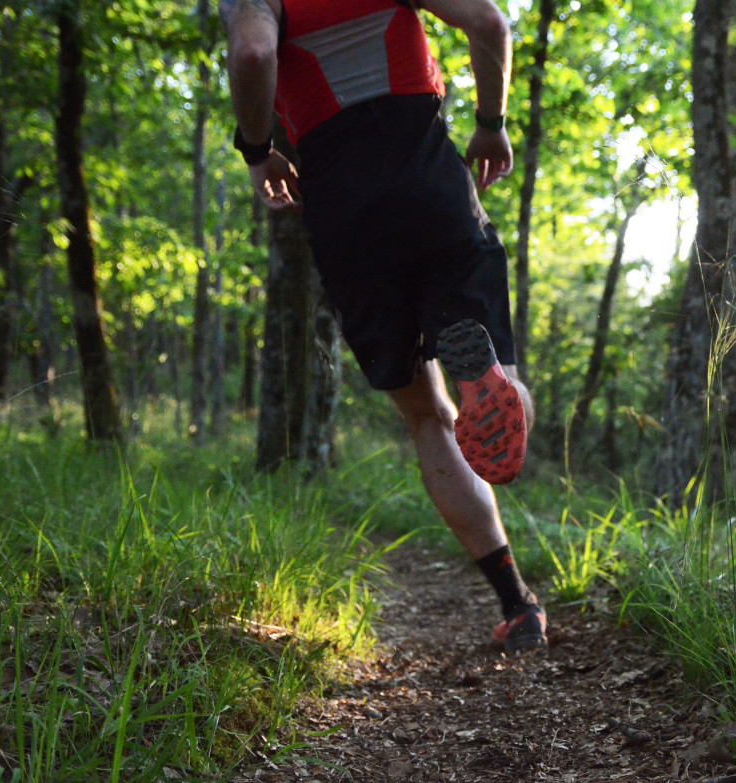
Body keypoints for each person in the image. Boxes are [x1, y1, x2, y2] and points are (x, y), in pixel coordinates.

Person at [219, 0, 546, 653]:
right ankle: (490, 376)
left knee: (428, 417)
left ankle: (516, 603)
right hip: (434, 190)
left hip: (347, 216)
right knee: (498, 383)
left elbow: (254, 54)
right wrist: (491, 125)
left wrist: (257, 151)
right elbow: (489, 22)